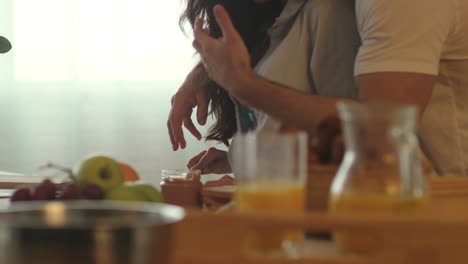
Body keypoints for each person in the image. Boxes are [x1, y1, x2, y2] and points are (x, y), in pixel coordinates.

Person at [168, 0, 360, 175]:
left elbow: (350, 139)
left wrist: (243, 190)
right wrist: (237, 161)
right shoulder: (264, 18)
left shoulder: (329, 13)